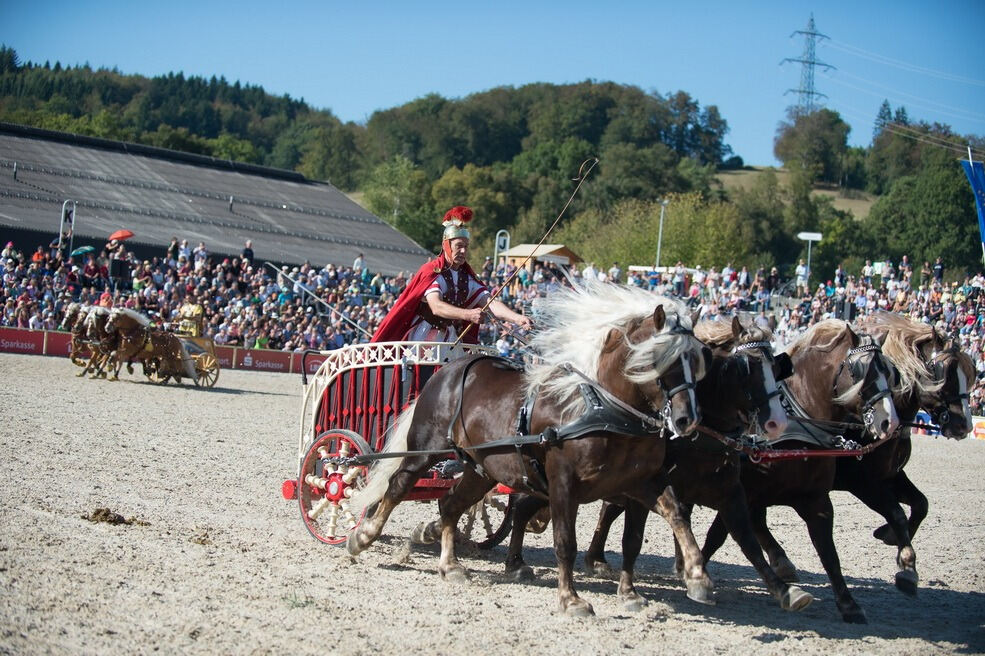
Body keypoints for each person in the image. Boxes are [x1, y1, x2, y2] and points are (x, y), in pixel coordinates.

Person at [371, 206, 531, 344]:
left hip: (450, 337)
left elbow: (491, 303)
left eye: (466, 246)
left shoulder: (466, 277)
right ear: (446, 245)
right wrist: (467, 314)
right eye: (459, 246)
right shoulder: (433, 272)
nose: (463, 251)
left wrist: (517, 318)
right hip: (424, 335)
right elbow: (436, 306)